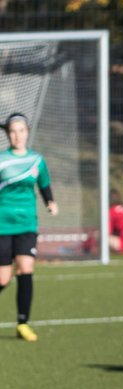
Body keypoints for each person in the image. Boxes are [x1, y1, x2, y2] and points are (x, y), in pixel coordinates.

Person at [0, 113, 57, 342]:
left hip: (27, 224)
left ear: (27, 132)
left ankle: (23, 323)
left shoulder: (36, 160)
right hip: (2, 224)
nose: (17, 135)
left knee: (26, 269)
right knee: (3, 279)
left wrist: (50, 202)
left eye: (21, 130)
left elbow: (44, 184)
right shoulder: (2, 160)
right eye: (13, 131)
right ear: (7, 134)